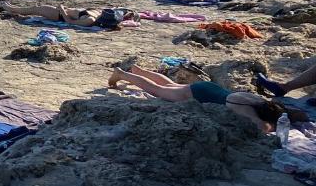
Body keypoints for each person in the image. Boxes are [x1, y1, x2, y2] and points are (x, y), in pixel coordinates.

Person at [108, 65, 305, 132]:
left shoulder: (256, 99)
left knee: (170, 85)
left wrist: (289, 113)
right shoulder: (247, 110)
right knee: (157, 90)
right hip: (198, 94)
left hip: (209, 88)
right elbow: (262, 127)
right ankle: (122, 74)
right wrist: (275, 125)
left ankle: (139, 70)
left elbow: (289, 111)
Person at [0, 3, 136, 29]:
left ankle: (12, 9)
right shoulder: (101, 13)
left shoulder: (90, 20)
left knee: (35, 9)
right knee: (36, 9)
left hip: (58, 15)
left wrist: (62, 10)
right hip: (61, 11)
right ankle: (13, 9)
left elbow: (70, 22)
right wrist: (130, 15)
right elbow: (122, 11)